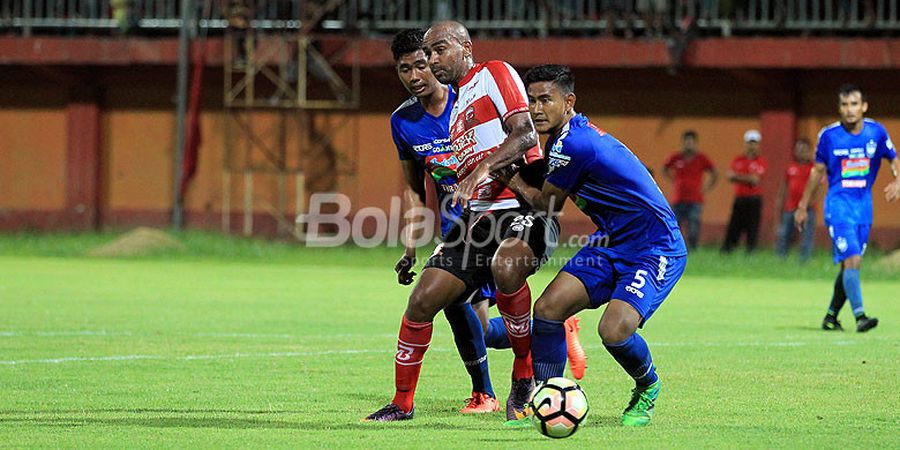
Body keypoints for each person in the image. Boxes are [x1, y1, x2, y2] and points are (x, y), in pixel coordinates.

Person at [365, 21, 559, 423]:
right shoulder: (451, 114)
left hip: (523, 210)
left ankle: (522, 375)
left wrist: (476, 174)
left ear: (465, 47)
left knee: (506, 269)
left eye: (438, 52)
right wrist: (412, 245)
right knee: (424, 298)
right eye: (426, 56)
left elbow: (524, 135)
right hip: (477, 222)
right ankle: (402, 404)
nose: (432, 63)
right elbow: (419, 188)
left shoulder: (495, 73)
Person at [508, 64, 686, 427]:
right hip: (611, 241)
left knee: (614, 330)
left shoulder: (574, 143)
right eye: (531, 101)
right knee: (548, 309)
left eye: (546, 99)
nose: (537, 108)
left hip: (655, 247)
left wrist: (511, 179)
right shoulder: (564, 138)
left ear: (568, 101)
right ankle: (548, 399)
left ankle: (647, 387)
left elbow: (547, 207)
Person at [795, 84, 900, 332]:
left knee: (848, 266)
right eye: (844, 105)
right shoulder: (829, 136)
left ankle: (831, 316)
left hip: (864, 208)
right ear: (839, 108)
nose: (849, 110)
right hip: (838, 206)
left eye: (854, 104)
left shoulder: (876, 132)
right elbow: (816, 172)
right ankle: (860, 316)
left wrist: (897, 179)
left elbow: (893, 158)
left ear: (864, 107)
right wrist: (802, 206)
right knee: (852, 259)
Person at [662, 130, 718, 250]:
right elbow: (665, 168)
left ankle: (693, 248)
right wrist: (674, 181)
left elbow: (714, 172)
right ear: (682, 143)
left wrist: (706, 187)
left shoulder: (701, 158)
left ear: (695, 143)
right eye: (686, 142)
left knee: (693, 225)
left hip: (695, 199)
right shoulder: (676, 157)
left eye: (691, 142)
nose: (688, 144)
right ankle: (675, 248)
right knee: (675, 225)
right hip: (678, 198)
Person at [722, 130, 767, 253]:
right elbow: (729, 176)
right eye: (749, 143)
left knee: (752, 228)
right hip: (739, 198)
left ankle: (750, 252)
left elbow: (755, 180)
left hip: (754, 200)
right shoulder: (738, 159)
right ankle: (727, 251)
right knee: (734, 227)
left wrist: (737, 176)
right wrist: (746, 178)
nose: (751, 146)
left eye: (754, 143)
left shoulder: (760, 161)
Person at [774, 138, 818, 263]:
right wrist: (780, 202)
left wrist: (807, 205)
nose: (801, 153)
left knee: (807, 236)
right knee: (784, 234)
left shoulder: (814, 168)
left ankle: (804, 261)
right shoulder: (790, 167)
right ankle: (780, 259)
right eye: (799, 150)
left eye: (804, 150)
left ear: (809, 151)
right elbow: (783, 187)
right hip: (790, 207)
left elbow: (820, 189)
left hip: (808, 209)